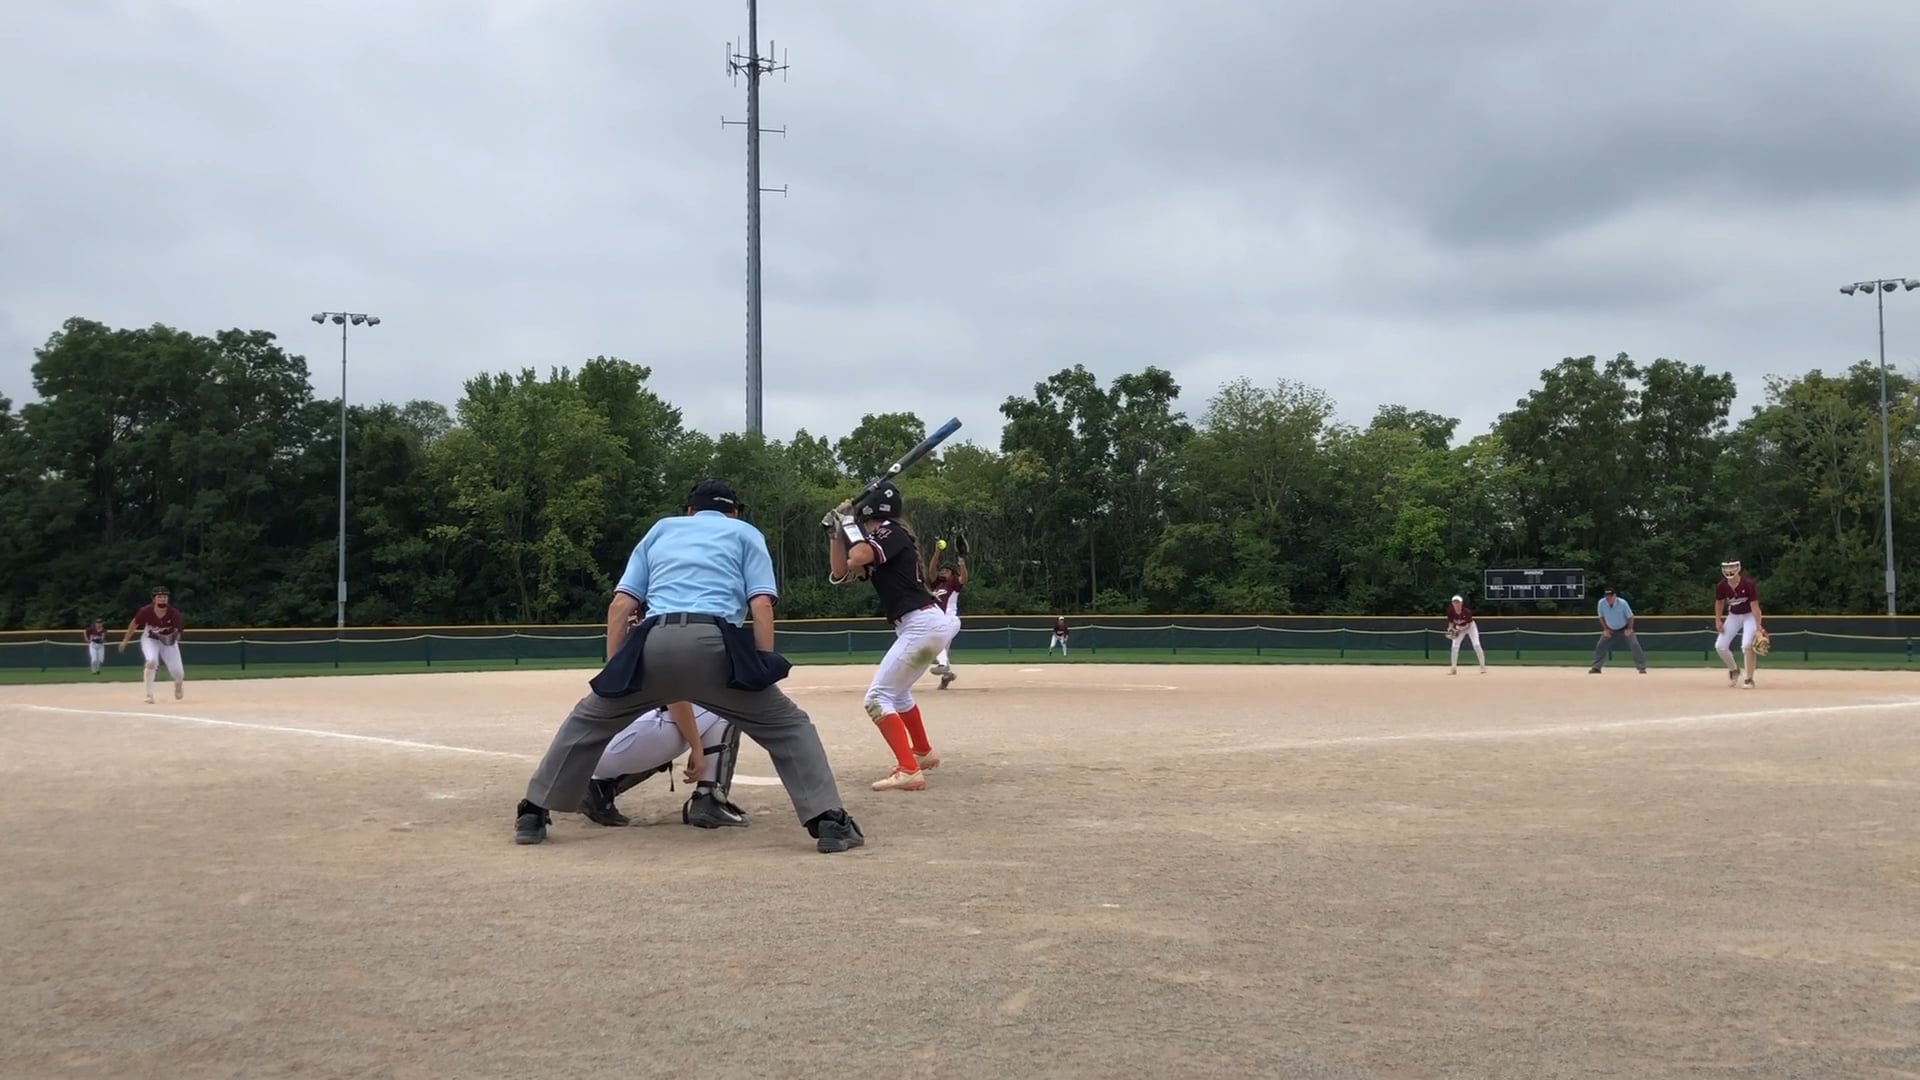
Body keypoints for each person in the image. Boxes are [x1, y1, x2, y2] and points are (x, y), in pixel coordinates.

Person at [514, 479, 864, 854]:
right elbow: (761, 604)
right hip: (714, 645)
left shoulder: (662, 529)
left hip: (652, 643)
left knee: (586, 722)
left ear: (690, 511)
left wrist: (618, 671)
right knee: (788, 726)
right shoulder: (745, 533)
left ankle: (532, 812)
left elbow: (620, 606)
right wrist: (762, 665)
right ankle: (829, 822)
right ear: (733, 512)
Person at [826, 482, 960, 793]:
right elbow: (842, 569)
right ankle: (922, 752)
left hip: (921, 626)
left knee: (876, 698)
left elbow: (859, 553)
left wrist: (848, 522)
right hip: (928, 629)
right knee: (897, 695)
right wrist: (835, 534)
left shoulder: (889, 531)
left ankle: (909, 770)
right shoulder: (880, 540)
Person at [577, 703, 745, 829]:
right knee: (727, 706)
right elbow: (676, 699)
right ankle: (709, 798)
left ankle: (599, 789)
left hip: (591, 750)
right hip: (637, 739)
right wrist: (697, 747)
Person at [120, 586, 184, 703]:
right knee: (151, 661)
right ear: (154, 599)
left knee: (178, 671)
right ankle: (149, 695)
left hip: (168, 642)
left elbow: (178, 633)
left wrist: (172, 638)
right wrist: (125, 640)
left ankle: (178, 683)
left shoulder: (174, 613)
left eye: (165, 597)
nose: (162, 599)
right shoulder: (146, 611)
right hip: (150, 639)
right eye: (159, 597)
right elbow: (134, 624)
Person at [925, 535, 969, 690]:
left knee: (938, 641)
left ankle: (943, 666)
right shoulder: (938, 584)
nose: (942, 572)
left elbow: (964, 578)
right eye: (942, 570)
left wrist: (961, 560)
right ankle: (947, 675)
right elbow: (931, 570)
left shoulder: (953, 583)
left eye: (946, 571)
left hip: (949, 619)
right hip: (938, 620)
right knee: (940, 645)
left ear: (953, 574)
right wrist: (937, 552)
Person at [1714, 559, 1766, 689]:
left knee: (1747, 645)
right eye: (1726, 567)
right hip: (1734, 616)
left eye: (1732, 566)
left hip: (1749, 615)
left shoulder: (1748, 584)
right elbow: (1719, 602)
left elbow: (1755, 606)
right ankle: (1734, 670)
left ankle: (1749, 679)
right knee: (1720, 646)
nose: (1729, 570)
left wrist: (1758, 626)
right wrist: (1718, 620)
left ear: (1738, 567)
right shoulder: (1722, 585)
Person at [1589, 587, 1647, 674]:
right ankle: (1596, 667)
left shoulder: (1622, 603)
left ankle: (1641, 667)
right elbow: (1601, 617)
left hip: (1624, 628)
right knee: (1600, 645)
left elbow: (1630, 617)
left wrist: (1629, 629)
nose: (1608, 598)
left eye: (1610, 595)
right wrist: (1605, 629)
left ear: (1615, 596)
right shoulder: (1601, 602)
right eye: (1607, 596)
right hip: (1610, 629)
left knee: (1635, 644)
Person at [1444, 594, 1487, 674]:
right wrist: (1450, 629)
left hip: (1471, 628)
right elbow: (1451, 622)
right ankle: (1453, 668)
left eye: (1458, 602)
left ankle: (1482, 667)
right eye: (1455, 602)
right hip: (1459, 628)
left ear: (1461, 603)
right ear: (1452, 603)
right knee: (1454, 647)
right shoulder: (1451, 612)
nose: (1456, 604)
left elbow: (1468, 625)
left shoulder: (1466, 612)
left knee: (1476, 645)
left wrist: (1458, 630)